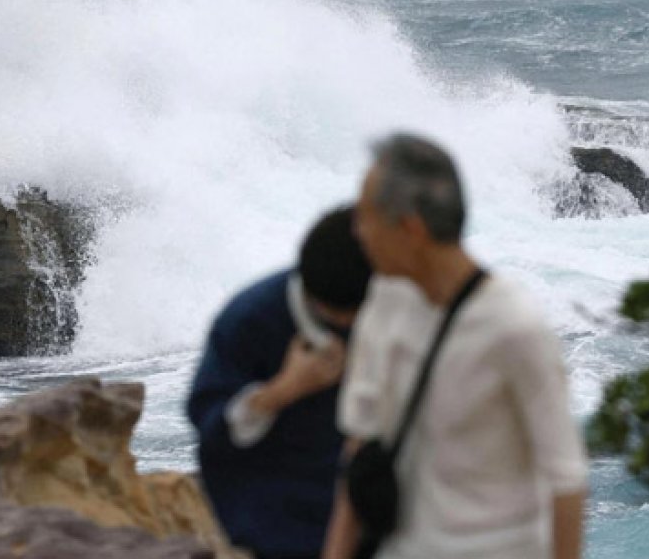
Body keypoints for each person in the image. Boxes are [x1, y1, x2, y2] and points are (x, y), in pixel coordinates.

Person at [324, 133, 588, 559]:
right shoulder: (385, 302)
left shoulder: (513, 327)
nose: (358, 232)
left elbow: (566, 479)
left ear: (410, 228)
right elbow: (359, 451)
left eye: (366, 216)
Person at [187, 206, 373, 559]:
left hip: (375, 518)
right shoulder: (250, 320)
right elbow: (212, 432)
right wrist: (284, 390)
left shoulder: (392, 302)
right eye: (344, 319)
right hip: (274, 524)